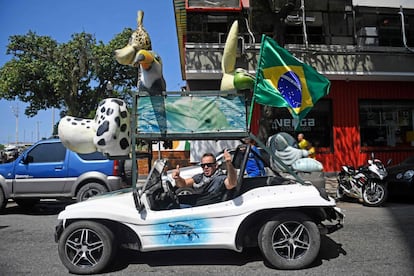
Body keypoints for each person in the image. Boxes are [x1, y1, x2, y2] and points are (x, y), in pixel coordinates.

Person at [172, 149, 237, 205]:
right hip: (198, 203)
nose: (206, 167)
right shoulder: (200, 177)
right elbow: (183, 184)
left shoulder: (220, 178)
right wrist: (178, 178)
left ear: (216, 165)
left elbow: (231, 184)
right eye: (203, 165)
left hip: (209, 207)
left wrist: (229, 163)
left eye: (209, 165)